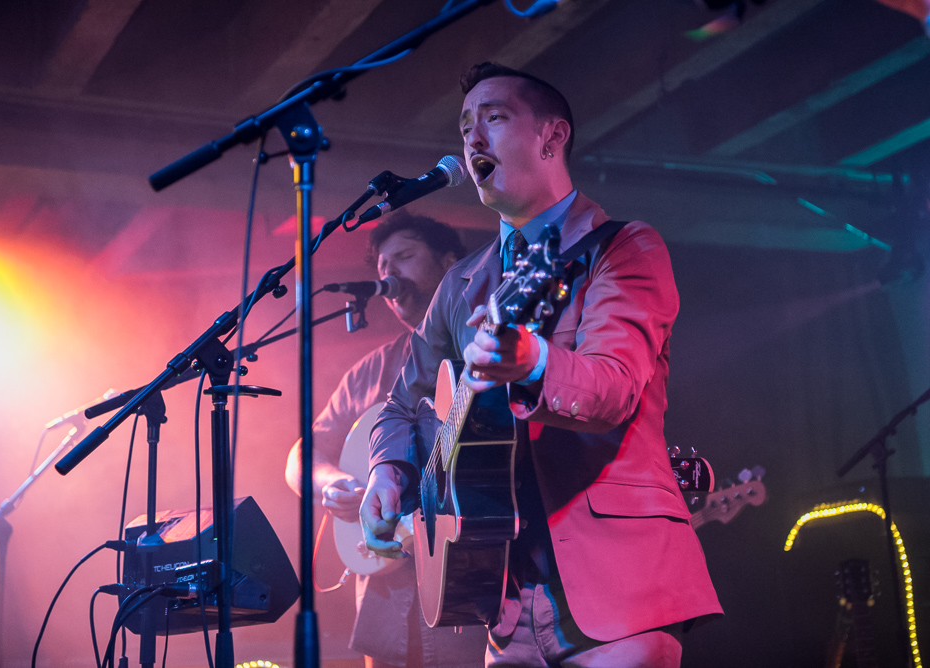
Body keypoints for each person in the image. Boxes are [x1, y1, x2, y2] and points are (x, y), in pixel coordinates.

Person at [359, 63, 722, 667]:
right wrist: (388, 470)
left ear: (552, 138)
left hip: (620, 593)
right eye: (465, 125)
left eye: (494, 119)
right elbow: (403, 404)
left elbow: (612, 390)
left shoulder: (625, 248)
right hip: (503, 606)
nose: (472, 138)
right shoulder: (462, 282)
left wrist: (532, 360)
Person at [284, 212, 488, 668]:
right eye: (382, 268)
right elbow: (303, 454)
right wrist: (331, 483)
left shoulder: (483, 345)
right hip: (383, 600)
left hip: (471, 590)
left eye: (405, 257)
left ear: (450, 262)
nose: (390, 274)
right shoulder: (370, 370)